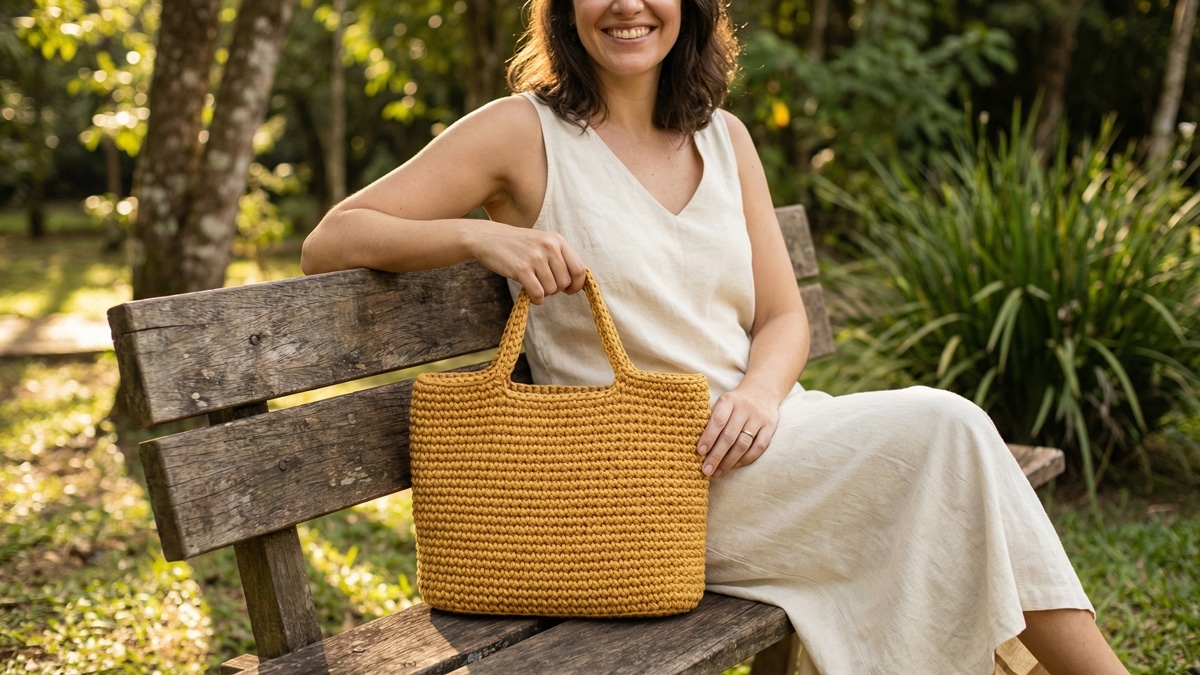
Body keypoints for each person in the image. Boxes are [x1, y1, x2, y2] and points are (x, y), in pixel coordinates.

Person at [301, 1, 1128, 672]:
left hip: (762, 436)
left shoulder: (724, 137)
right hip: (642, 483)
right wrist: (482, 239)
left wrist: (761, 395)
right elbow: (331, 239)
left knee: (949, 447)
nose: (628, 6)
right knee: (948, 431)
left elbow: (781, 317)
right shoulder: (521, 132)